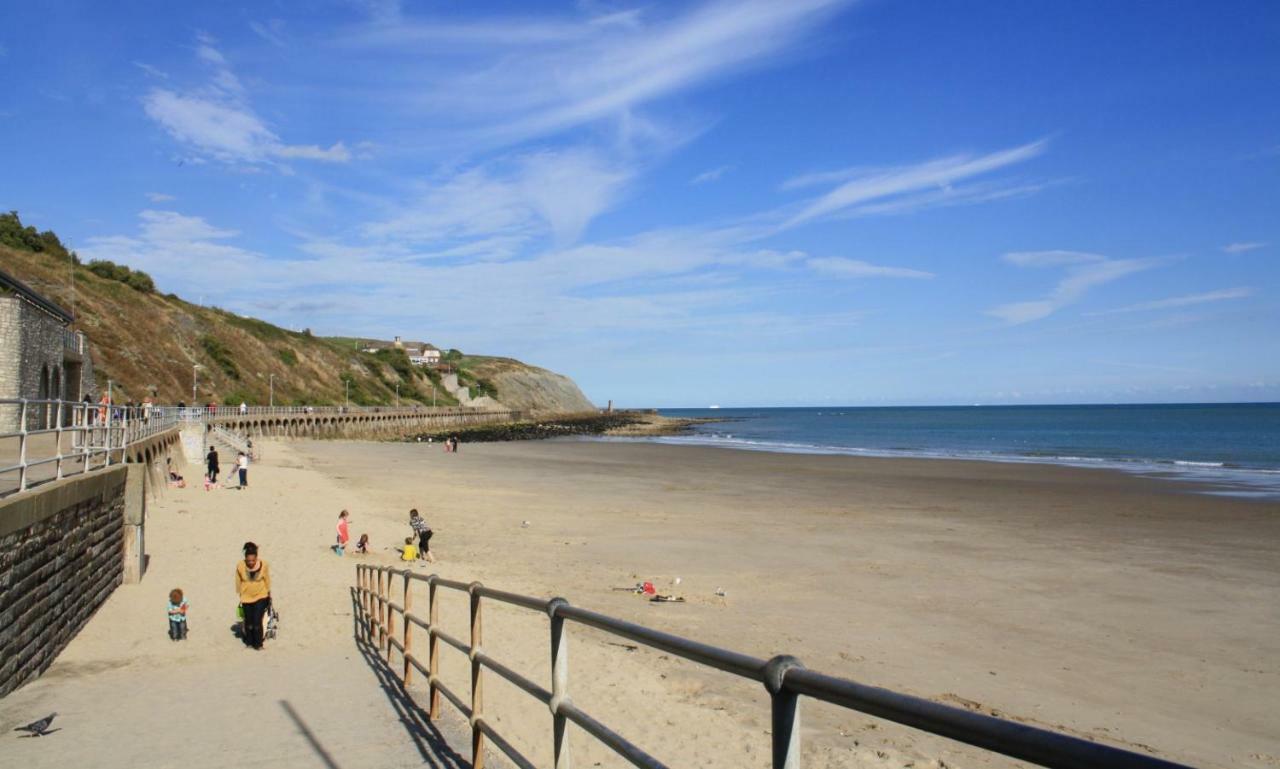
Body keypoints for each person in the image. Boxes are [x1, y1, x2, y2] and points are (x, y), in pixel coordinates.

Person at [236, 543, 271, 650]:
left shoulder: (264, 564)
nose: (251, 563)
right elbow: (238, 580)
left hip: (261, 595)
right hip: (246, 597)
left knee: (257, 621)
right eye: (248, 561)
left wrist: (269, 592)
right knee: (249, 622)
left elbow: (267, 579)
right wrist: (239, 592)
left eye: (253, 560)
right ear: (245, 559)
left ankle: (259, 644)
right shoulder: (240, 565)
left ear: (256, 558)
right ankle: (249, 643)